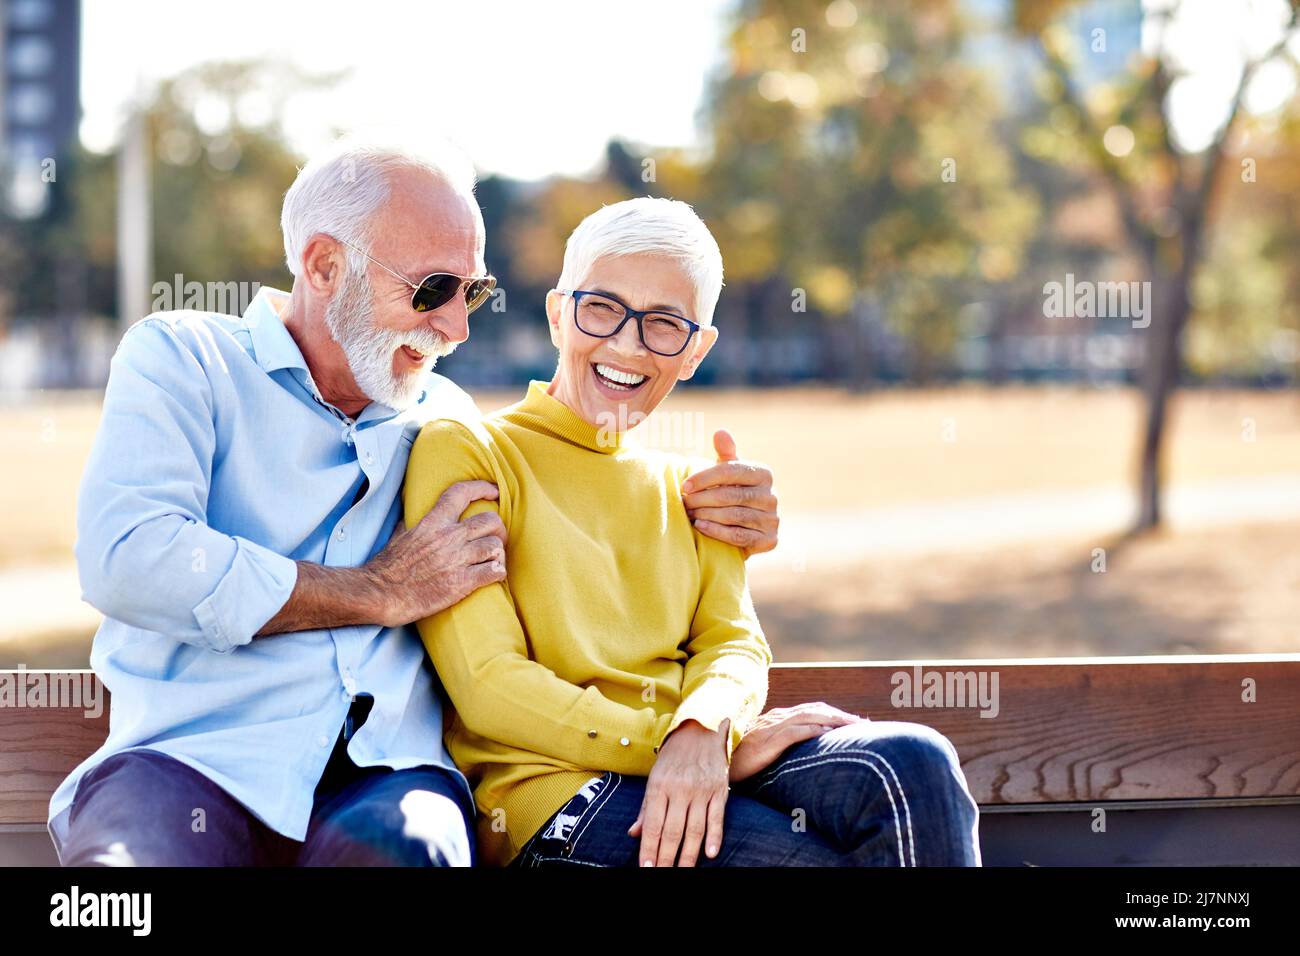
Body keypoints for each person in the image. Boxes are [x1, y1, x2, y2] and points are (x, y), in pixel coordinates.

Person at [48, 142, 781, 866]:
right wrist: (376, 591)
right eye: (432, 290)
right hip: (187, 762)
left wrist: (725, 509)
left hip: (386, 780)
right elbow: (131, 558)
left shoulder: (443, 417)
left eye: (473, 293)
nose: (456, 329)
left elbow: (580, 476)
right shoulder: (184, 359)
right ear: (324, 266)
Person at [403, 198, 982, 867]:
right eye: (601, 308)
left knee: (912, 764)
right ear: (558, 313)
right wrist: (681, 742)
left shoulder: (699, 488)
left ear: (695, 351)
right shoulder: (468, 450)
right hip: (556, 803)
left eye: (664, 325)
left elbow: (732, 644)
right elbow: (489, 684)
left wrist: (708, 728)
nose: (626, 343)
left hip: (699, 763)